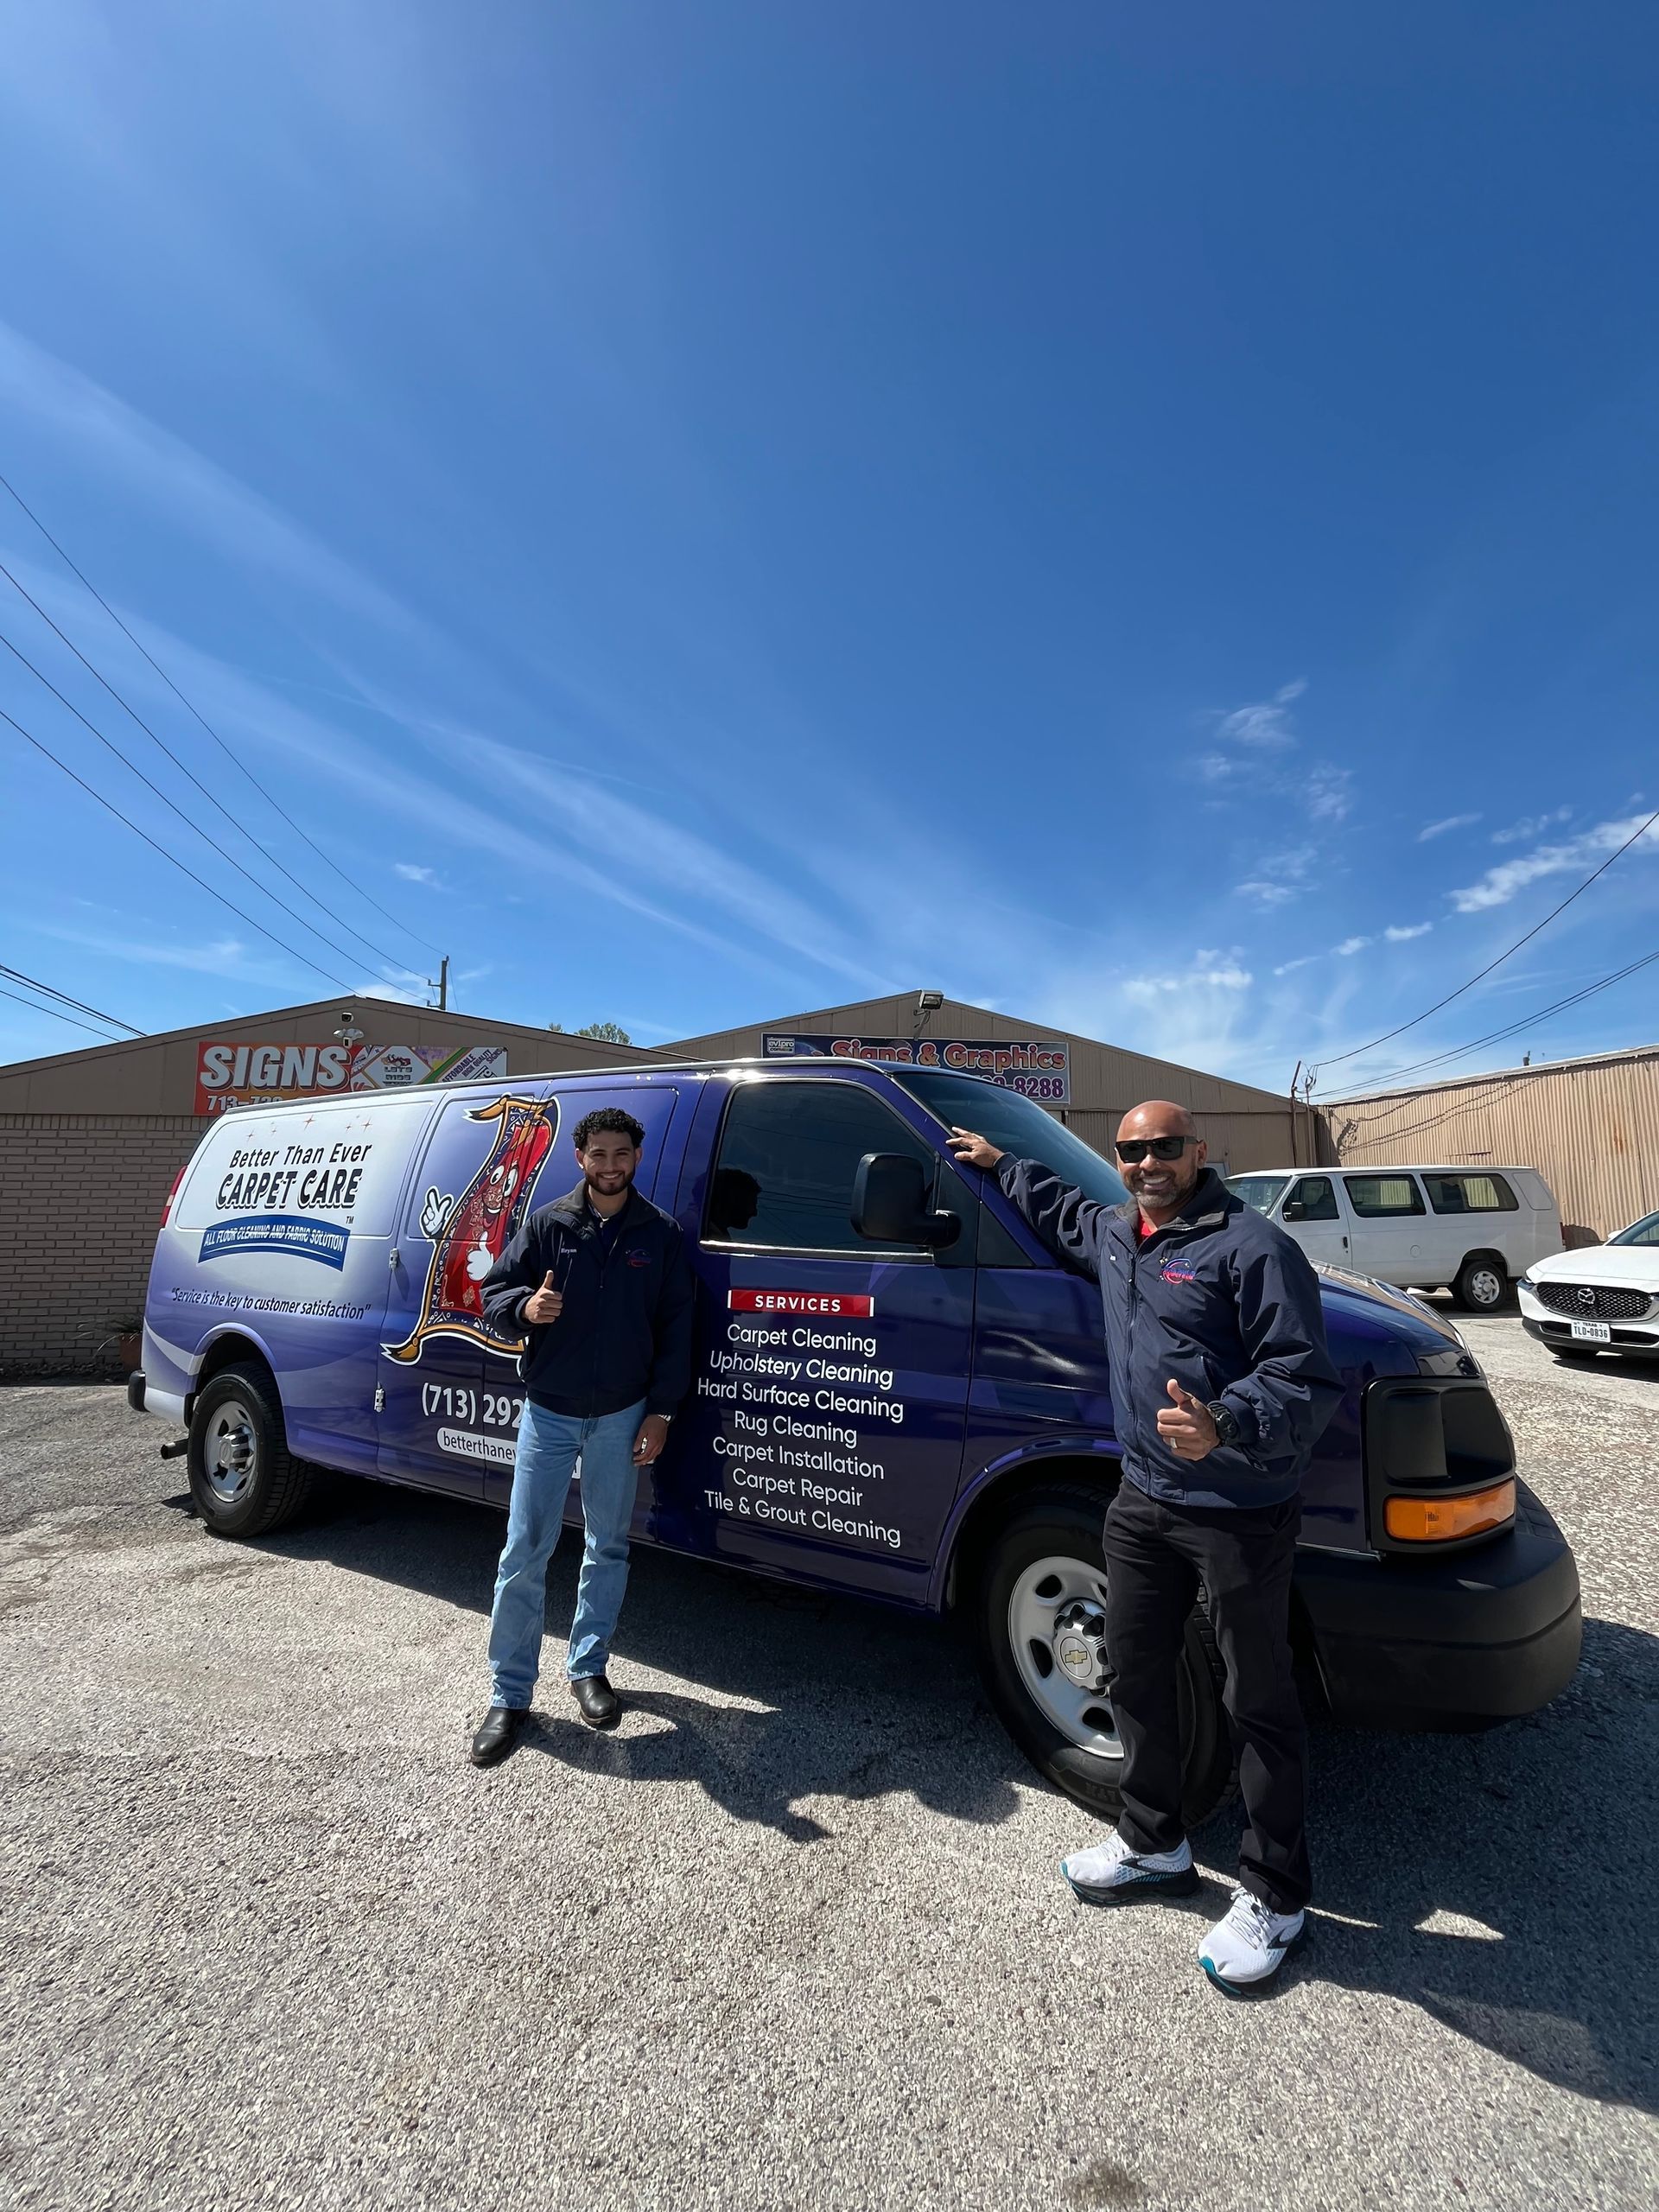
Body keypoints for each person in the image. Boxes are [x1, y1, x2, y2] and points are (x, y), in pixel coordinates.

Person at [948, 1101, 1340, 1992]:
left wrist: (1228, 1422)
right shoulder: (1119, 1230)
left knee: (1256, 1697)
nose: (1147, 1162)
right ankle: (1154, 1840)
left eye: (1165, 1147)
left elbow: (1301, 1375)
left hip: (1235, 1506)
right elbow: (1055, 1207)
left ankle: (1277, 1895)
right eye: (1130, 1151)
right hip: (1142, 1498)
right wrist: (1000, 1160)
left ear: (1199, 1152)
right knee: (1133, 1665)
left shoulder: (1251, 1247)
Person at [468, 1108, 695, 1764]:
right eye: (598, 1154)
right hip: (550, 1411)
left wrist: (662, 1412)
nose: (610, 1165)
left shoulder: (660, 1234)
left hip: (622, 1416)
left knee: (608, 1548)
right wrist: (525, 1309)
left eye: (621, 1153)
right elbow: (493, 1293)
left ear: (637, 1156)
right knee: (525, 1551)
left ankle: (588, 1668)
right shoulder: (548, 1225)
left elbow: (676, 1328)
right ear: (580, 1156)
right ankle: (509, 1696)